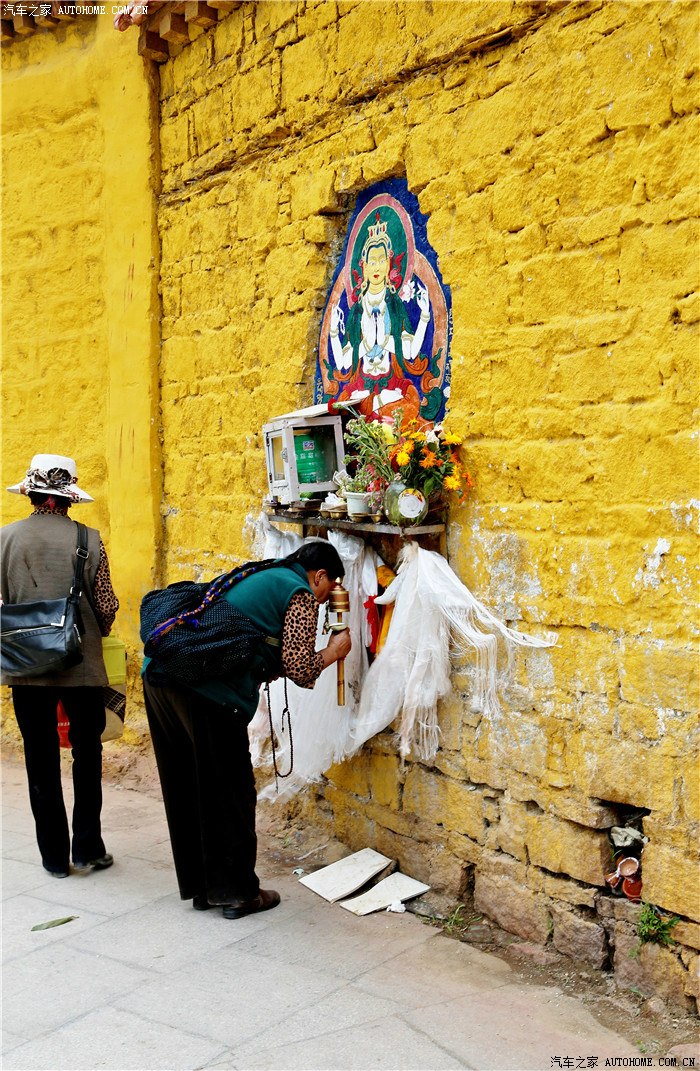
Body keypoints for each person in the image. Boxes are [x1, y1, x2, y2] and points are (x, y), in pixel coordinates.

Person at [142, 540, 352, 920]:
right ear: (320, 576)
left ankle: (205, 889)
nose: (322, 602)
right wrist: (334, 651)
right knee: (231, 790)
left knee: (189, 784)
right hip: (205, 691)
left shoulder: (262, 572)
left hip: (162, 678)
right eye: (328, 590)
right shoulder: (300, 592)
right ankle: (238, 893)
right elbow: (301, 667)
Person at [1, 453, 119, 878]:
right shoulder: (90, 539)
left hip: (25, 666)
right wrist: (91, 632)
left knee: (39, 757)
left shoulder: (4, 538)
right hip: (80, 664)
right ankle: (88, 848)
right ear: (68, 498)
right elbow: (106, 606)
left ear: (31, 493)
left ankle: (54, 858)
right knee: (88, 753)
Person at [328, 214, 431, 418]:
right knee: (348, 414)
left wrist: (425, 316)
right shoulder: (357, 310)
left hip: (391, 389)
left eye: (381, 260)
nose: (376, 266)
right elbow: (342, 363)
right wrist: (334, 332)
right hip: (361, 390)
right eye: (371, 261)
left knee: (407, 413)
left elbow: (410, 352)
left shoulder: (394, 305)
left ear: (389, 266)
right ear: (363, 267)